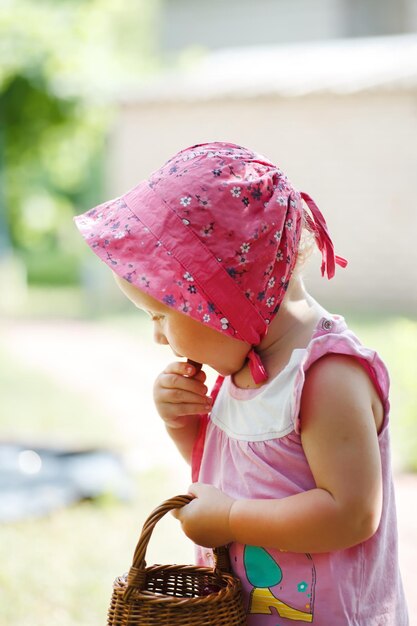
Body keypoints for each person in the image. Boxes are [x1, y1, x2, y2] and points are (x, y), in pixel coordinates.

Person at [74, 141, 408, 625]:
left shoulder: (325, 375)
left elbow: (351, 513)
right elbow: (234, 471)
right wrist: (181, 423)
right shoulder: (242, 370)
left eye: (160, 315)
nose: (157, 336)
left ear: (222, 295)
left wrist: (230, 519)